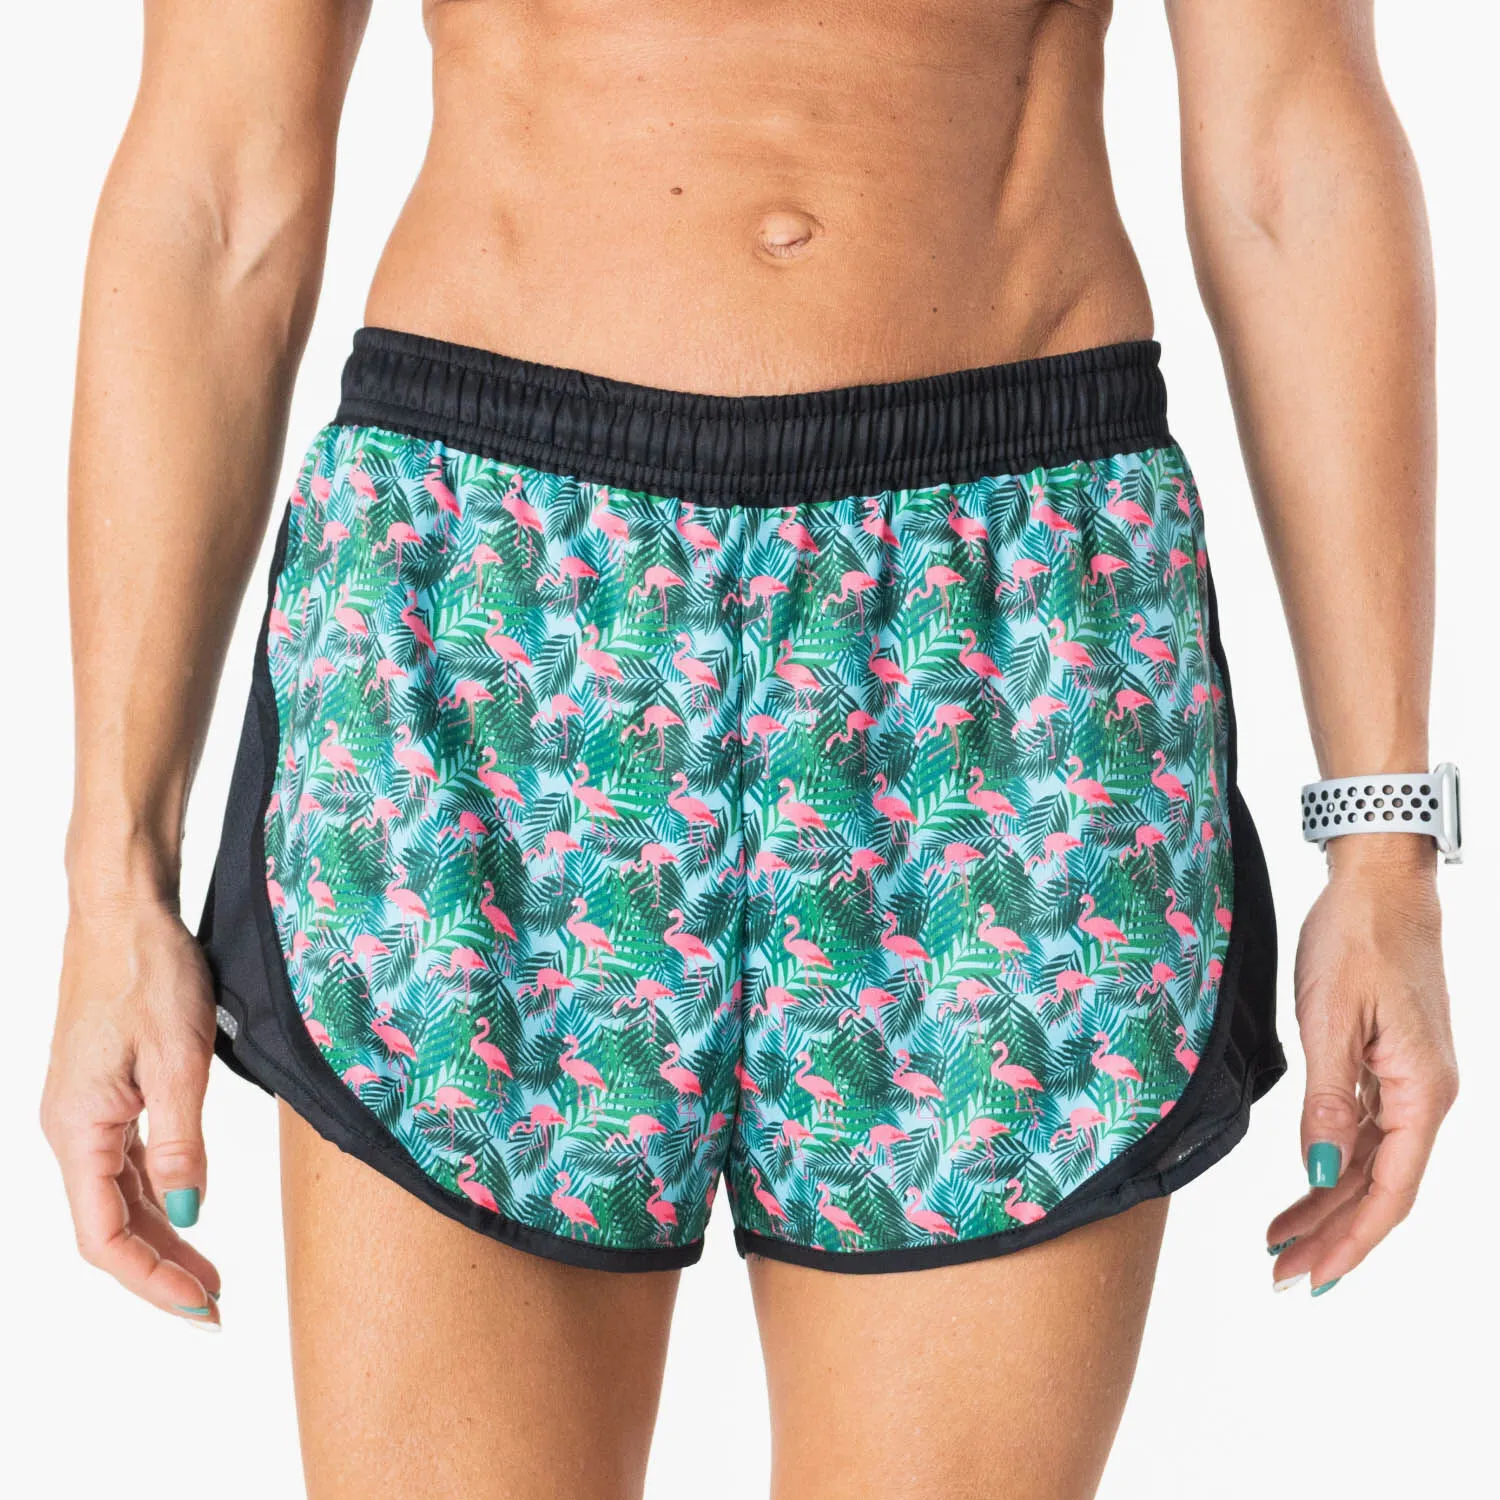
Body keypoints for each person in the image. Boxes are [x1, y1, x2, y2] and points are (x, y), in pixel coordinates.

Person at [44, 1, 1458, 1496]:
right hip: (487, 612)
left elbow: (1291, 155)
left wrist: (1385, 851)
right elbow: (219, 189)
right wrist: (111, 885)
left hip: (1010, 630)